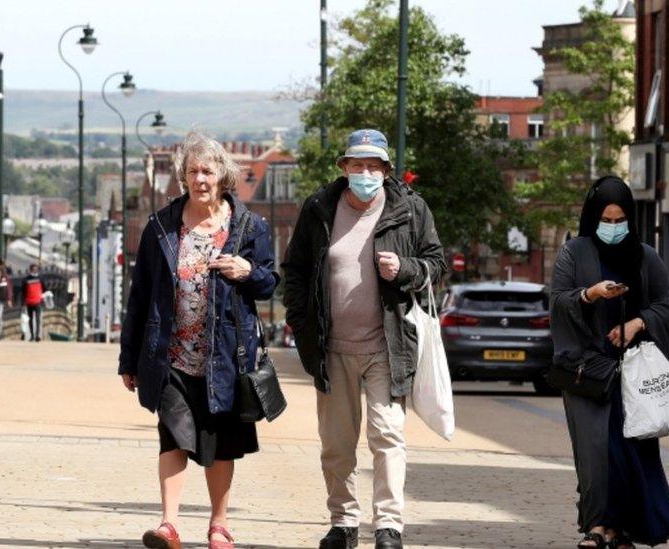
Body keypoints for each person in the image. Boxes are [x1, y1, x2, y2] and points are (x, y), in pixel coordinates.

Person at [282, 128, 446, 549]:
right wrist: (301, 325)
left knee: (387, 435)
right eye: (358, 165)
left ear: (386, 170)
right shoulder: (320, 208)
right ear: (344, 167)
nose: (366, 173)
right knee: (337, 444)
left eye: (374, 166)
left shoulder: (410, 209)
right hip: (330, 346)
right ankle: (343, 523)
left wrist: (406, 269)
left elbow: (436, 264)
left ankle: (389, 526)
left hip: (388, 345)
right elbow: (296, 269)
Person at [119, 133, 278, 549]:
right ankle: (168, 524)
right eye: (192, 171)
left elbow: (269, 284)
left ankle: (219, 524)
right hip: (170, 353)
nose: (200, 179)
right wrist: (128, 359)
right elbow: (140, 296)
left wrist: (247, 271)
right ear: (183, 177)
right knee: (172, 432)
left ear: (222, 175)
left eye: (207, 170)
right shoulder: (161, 228)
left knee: (219, 442)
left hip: (225, 356)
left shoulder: (249, 227)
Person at [550, 176, 669, 549]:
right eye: (606, 219)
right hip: (588, 370)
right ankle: (595, 525)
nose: (612, 227)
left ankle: (621, 528)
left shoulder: (646, 256)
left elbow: (664, 306)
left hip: (633, 371)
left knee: (630, 451)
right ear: (593, 217)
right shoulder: (573, 252)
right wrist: (588, 294)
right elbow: (558, 300)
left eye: (619, 219)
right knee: (594, 452)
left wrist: (637, 323)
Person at [22, 263, 44, 341]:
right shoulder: (40, 278)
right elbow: (44, 288)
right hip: (30, 301)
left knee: (37, 319)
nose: (35, 271)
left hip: (36, 301)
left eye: (36, 269)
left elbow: (23, 291)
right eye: (34, 269)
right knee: (31, 319)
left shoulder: (26, 279)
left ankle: (36, 335)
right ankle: (33, 335)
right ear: (31, 270)